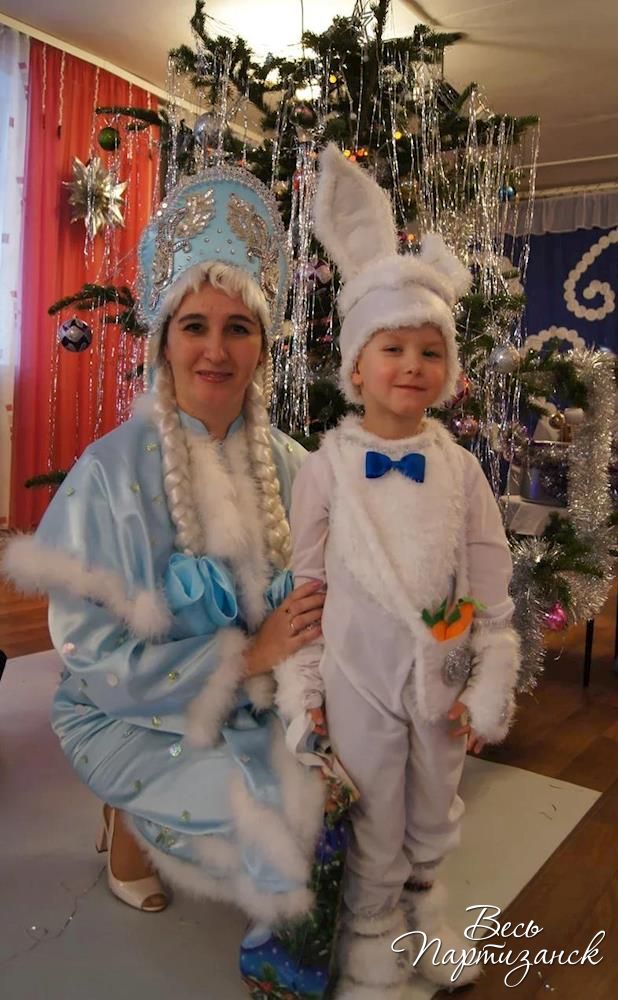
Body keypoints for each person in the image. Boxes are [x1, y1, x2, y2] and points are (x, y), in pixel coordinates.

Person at [3, 166, 328, 934]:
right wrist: (245, 658)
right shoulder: (109, 474)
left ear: (262, 347)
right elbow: (91, 651)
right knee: (264, 818)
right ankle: (129, 821)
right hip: (126, 710)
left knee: (335, 801)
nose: (215, 350)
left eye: (238, 328)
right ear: (164, 342)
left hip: (263, 707)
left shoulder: (296, 467)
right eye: (195, 326)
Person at [275, 145, 521, 999]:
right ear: (357, 364)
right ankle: (371, 933)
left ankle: (427, 910)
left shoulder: (460, 469)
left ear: (446, 371)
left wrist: (490, 677)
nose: (412, 365)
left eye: (428, 351)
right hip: (357, 674)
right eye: (393, 348)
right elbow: (307, 584)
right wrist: (305, 687)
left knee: (436, 802)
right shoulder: (325, 468)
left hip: (442, 676)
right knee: (374, 804)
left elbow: (489, 577)